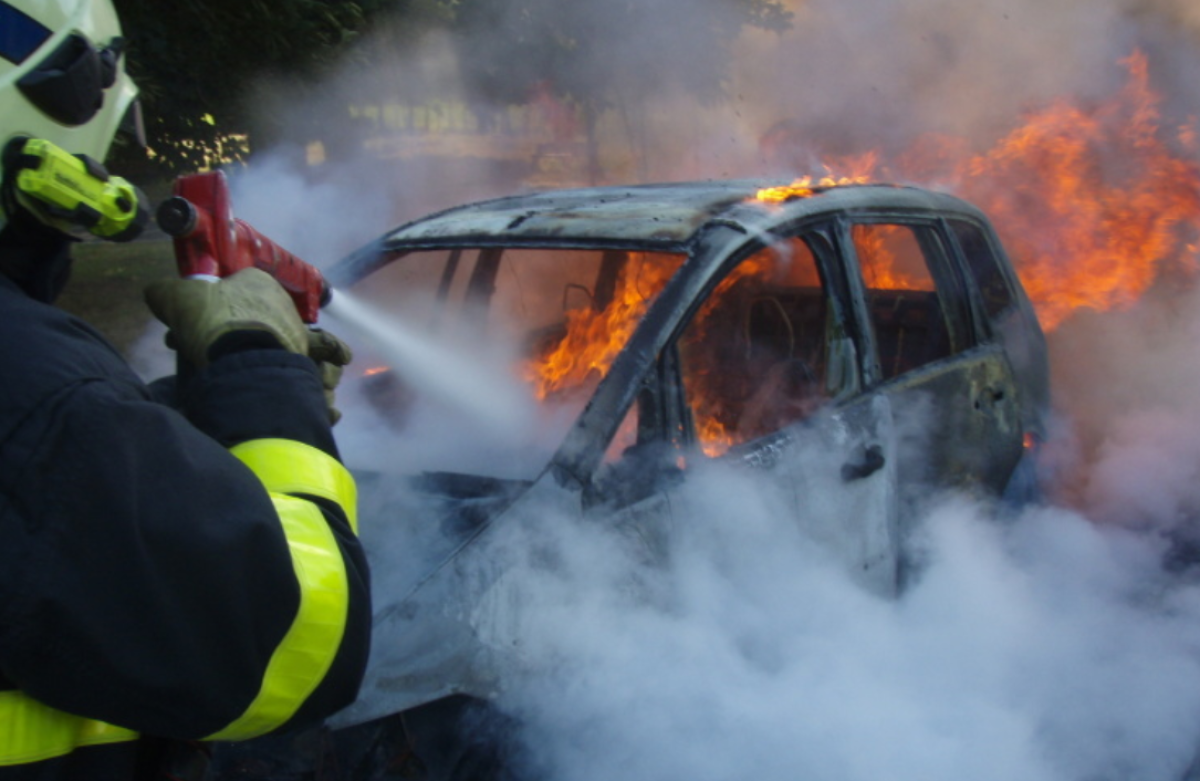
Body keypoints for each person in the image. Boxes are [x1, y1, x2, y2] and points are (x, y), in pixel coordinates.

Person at [0, 2, 371, 779]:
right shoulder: (37, 382)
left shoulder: (40, 397)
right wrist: (265, 376)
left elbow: (54, 496)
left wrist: (214, 399)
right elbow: (297, 642)